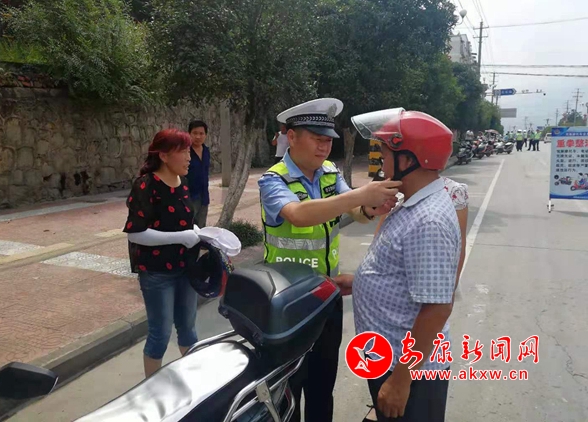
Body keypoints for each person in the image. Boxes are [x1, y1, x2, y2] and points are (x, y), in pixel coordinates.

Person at [258, 98, 401, 422]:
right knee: (288, 390)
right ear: (291, 137)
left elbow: (353, 209)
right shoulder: (274, 180)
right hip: (287, 303)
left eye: (328, 140)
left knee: (322, 387)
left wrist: (370, 208)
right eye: (316, 138)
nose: (324, 147)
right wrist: (360, 195)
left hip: (326, 296)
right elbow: (298, 214)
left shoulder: (329, 173)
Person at [335, 108, 461, 422]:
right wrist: (359, 282)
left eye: (385, 155)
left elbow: (437, 308)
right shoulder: (411, 202)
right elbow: (403, 271)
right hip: (387, 356)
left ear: (407, 160)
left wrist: (401, 381)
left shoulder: (429, 220)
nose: (381, 163)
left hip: (408, 370)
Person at [123, 129, 201, 378]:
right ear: (164, 156)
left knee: (188, 330)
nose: (189, 157)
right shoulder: (146, 185)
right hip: (157, 273)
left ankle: (195, 383)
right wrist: (180, 237)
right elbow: (135, 233)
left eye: (189, 151)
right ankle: (151, 389)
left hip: (186, 268)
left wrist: (197, 232)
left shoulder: (182, 182)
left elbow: (182, 222)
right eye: (183, 152)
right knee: (160, 334)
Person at [187, 120, 210, 228]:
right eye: (195, 133)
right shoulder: (185, 151)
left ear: (205, 135)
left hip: (204, 196)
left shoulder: (206, 151)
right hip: (188, 196)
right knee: (188, 226)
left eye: (201, 133)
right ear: (189, 134)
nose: (198, 136)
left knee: (201, 228)